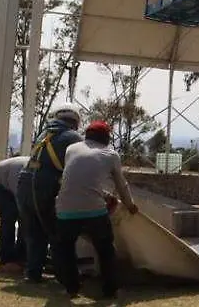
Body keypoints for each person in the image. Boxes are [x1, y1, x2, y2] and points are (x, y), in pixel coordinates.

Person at [54, 121, 138, 298]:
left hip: (65, 208)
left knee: (67, 248)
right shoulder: (111, 154)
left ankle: (71, 288)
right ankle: (110, 289)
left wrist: (104, 193)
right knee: (105, 249)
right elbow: (121, 185)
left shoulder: (72, 149)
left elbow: (79, 179)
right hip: (94, 210)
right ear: (107, 138)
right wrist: (130, 205)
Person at [16, 106, 83, 283]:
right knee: (56, 231)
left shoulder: (44, 133)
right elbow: (79, 165)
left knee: (33, 232)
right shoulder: (72, 137)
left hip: (24, 182)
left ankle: (33, 273)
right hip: (43, 184)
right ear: (75, 122)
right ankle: (64, 276)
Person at [0, 155, 30, 271]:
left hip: (9, 182)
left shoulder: (41, 172)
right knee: (10, 214)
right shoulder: (22, 175)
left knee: (26, 218)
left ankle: (21, 256)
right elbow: (21, 203)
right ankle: (7, 260)